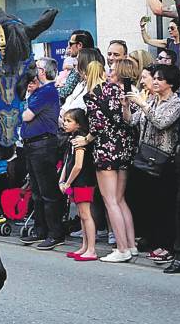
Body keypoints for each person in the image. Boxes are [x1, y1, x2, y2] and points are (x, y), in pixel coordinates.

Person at [74, 60, 138, 262]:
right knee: (120, 200)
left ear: (85, 74)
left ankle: (121, 249)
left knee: (110, 201)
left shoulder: (92, 95)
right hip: (124, 147)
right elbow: (127, 119)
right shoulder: (116, 90)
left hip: (106, 150)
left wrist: (85, 139)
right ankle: (131, 245)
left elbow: (98, 125)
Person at [125, 64, 180, 269]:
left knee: (165, 205)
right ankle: (153, 240)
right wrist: (127, 105)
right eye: (154, 78)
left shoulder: (176, 103)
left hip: (165, 160)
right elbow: (132, 121)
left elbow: (161, 122)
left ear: (171, 83)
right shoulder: (150, 99)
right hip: (145, 156)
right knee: (148, 203)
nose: (155, 81)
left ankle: (166, 246)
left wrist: (143, 104)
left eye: (160, 79)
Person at [20, 57, 64, 250]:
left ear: (43, 71)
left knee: (47, 192)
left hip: (43, 145)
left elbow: (26, 115)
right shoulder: (40, 91)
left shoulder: (47, 91)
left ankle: (55, 233)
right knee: (37, 192)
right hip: (32, 145)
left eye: (37, 67)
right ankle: (40, 230)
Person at [60, 108, 98, 261]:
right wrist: (62, 179)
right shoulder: (73, 137)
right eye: (64, 120)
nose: (65, 123)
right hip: (76, 181)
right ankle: (84, 246)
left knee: (86, 214)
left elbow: (78, 165)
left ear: (79, 123)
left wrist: (67, 182)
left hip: (83, 181)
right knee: (82, 215)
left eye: (69, 121)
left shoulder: (80, 138)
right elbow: (68, 161)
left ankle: (92, 249)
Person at [59, 30, 95, 102]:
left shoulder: (80, 66)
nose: (68, 47)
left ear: (79, 45)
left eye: (70, 44)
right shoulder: (95, 60)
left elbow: (65, 92)